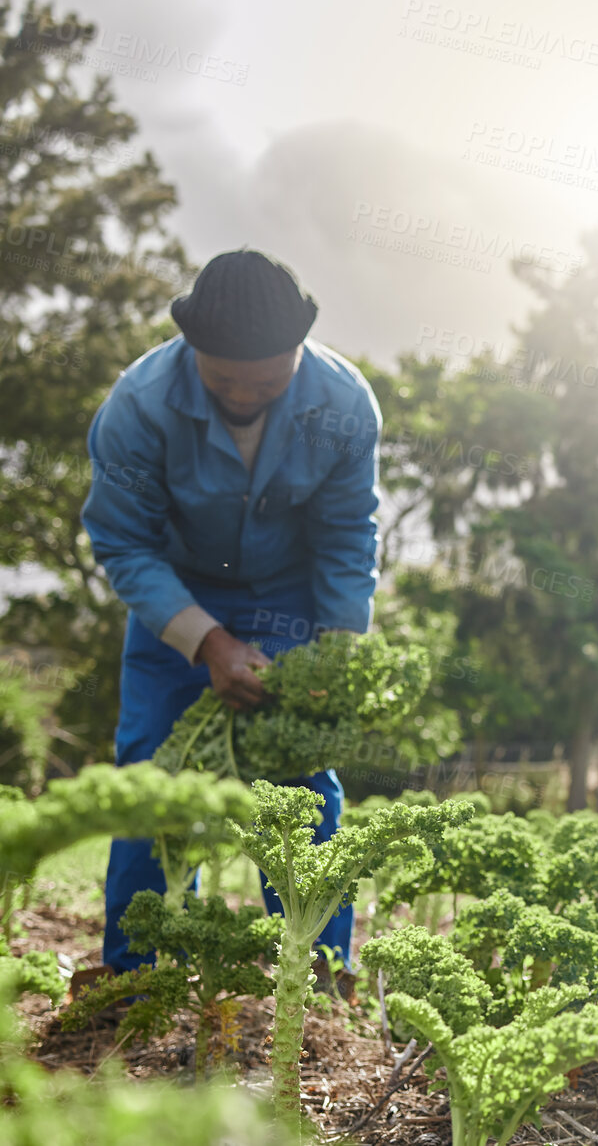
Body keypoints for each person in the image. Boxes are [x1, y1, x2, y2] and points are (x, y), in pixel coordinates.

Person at [77, 248, 381, 994]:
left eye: (267, 379)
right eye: (223, 379)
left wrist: (334, 664)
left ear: (299, 351)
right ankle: (138, 970)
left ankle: (315, 969)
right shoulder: (139, 405)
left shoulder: (344, 406)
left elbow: (346, 539)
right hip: (175, 600)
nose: (244, 393)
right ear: (191, 350)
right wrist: (207, 639)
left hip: (293, 599)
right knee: (154, 769)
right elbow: (123, 540)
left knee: (302, 774)